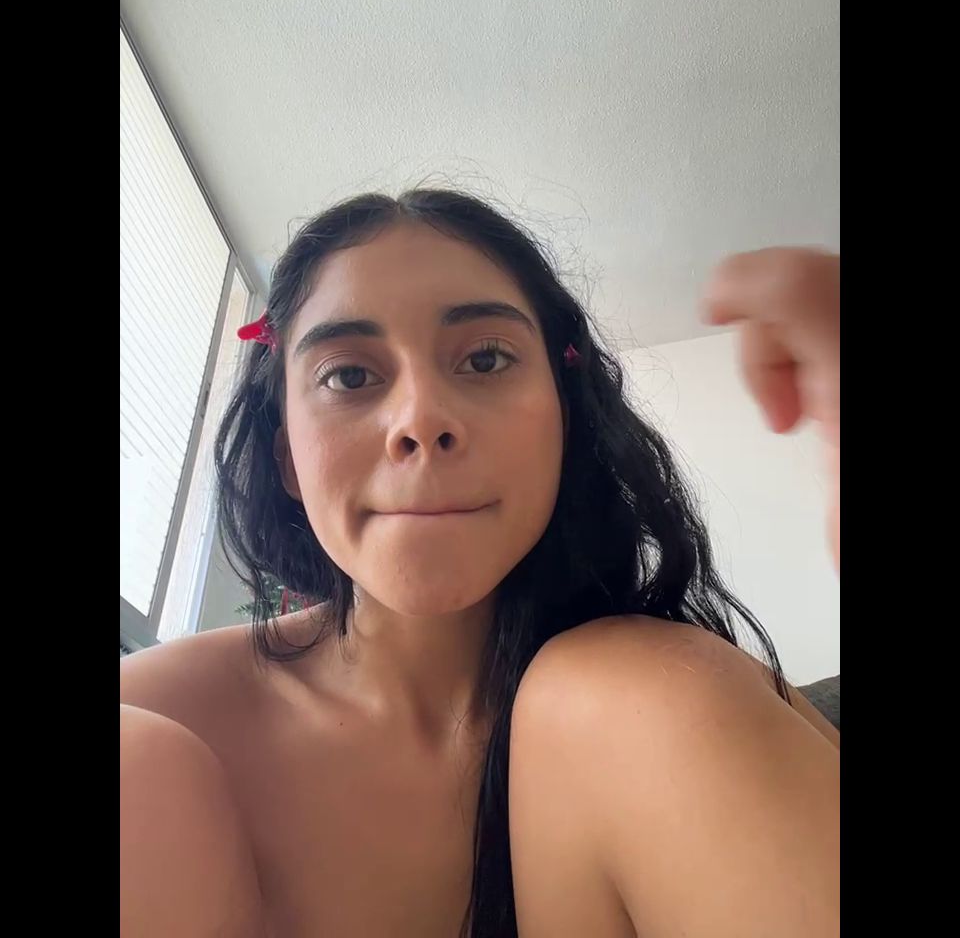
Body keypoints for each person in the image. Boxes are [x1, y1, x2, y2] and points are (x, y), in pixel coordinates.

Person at [120, 189, 840, 938]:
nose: (421, 419)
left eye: (486, 358)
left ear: (566, 422)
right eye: (349, 376)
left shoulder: (658, 703)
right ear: (288, 460)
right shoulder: (155, 730)